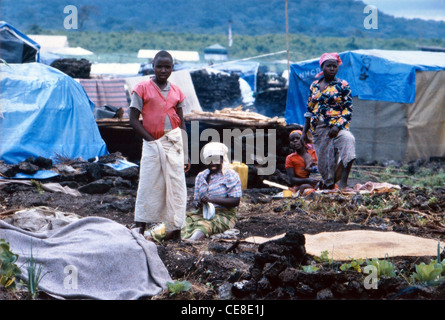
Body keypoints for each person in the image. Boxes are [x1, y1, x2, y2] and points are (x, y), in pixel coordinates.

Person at [129, 50, 190, 240]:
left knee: (176, 185)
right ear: (152, 66)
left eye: (167, 67)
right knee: (148, 184)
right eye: (159, 66)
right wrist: (150, 140)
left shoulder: (176, 91)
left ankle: (175, 229)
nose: (163, 70)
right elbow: (133, 119)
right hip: (152, 144)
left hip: (173, 143)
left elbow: (182, 123)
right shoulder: (142, 88)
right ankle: (140, 227)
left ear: (172, 68)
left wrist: (186, 154)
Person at [300, 52, 356, 190]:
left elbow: (348, 109)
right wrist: (304, 132)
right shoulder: (314, 85)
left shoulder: (342, 85)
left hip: (337, 127)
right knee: (325, 165)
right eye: (328, 66)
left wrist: (337, 126)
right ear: (322, 67)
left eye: (334, 66)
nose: (332, 69)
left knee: (349, 142)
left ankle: (343, 182)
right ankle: (328, 186)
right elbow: (309, 110)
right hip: (318, 128)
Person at [181, 142, 242, 241]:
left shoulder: (230, 175)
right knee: (181, 222)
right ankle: (156, 237)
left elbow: (235, 201)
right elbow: (196, 200)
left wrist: (211, 199)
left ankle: (190, 242)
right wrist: (199, 203)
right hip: (203, 213)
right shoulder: (201, 176)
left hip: (224, 214)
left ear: (222, 159)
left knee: (205, 225)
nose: (213, 163)